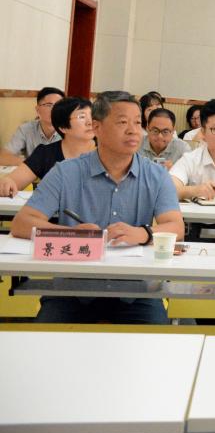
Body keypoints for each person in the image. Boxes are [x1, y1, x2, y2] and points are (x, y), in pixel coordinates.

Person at [11, 91, 184, 324]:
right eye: (122, 122)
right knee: (44, 341)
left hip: (136, 290)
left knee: (156, 343)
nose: (134, 131)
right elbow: (22, 223)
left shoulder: (156, 175)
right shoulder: (66, 172)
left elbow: (176, 227)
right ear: (97, 127)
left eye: (137, 123)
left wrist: (142, 233)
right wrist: (71, 234)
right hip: (72, 288)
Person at [0, 97, 94, 197]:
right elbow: (12, 181)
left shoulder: (104, 151)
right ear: (63, 127)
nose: (90, 122)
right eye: (82, 117)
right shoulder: (45, 154)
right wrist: (6, 183)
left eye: (93, 116)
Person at [0, 87, 64, 166]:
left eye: (59, 105)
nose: (55, 109)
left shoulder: (70, 130)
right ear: (37, 110)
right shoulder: (26, 129)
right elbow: (3, 157)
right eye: (49, 105)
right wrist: (33, 163)